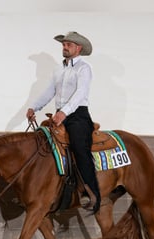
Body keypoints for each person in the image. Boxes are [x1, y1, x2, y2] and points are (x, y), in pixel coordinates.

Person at [26, 31, 101, 213]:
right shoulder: (59, 70)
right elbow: (49, 91)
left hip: (78, 115)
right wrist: (34, 107)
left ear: (78, 48)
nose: (64, 47)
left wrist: (64, 113)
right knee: (39, 142)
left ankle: (91, 193)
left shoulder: (84, 68)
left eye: (68, 45)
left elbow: (80, 94)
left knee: (78, 147)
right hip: (60, 115)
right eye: (64, 44)